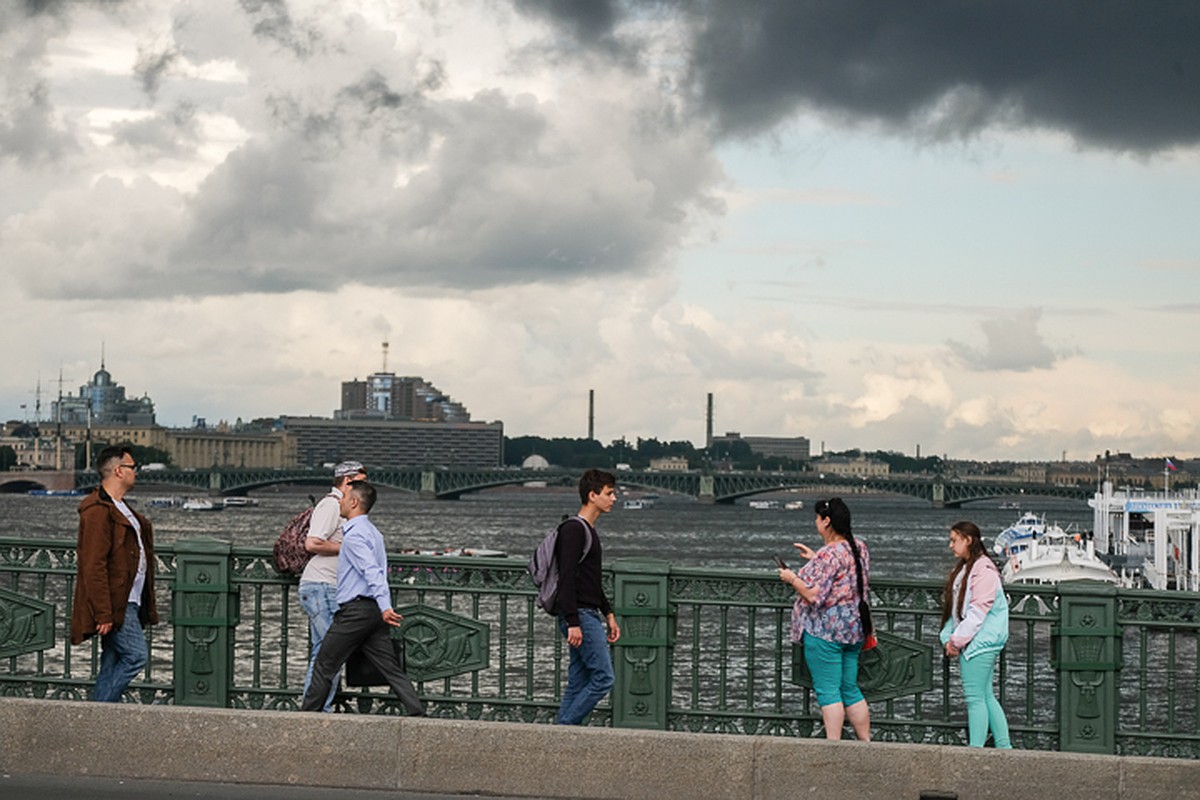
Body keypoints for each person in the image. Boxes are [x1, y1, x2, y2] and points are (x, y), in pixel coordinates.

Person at [300, 480, 424, 715]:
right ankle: (417, 712)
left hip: (355, 612)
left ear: (354, 502)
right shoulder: (374, 533)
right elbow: (379, 571)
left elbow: (372, 572)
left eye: (345, 499)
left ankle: (307, 717)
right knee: (391, 668)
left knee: (324, 664)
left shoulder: (355, 536)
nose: (341, 503)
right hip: (373, 613)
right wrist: (383, 607)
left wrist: (386, 607)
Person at [777, 497, 871, 740]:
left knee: (828, 691)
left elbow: (813, 595)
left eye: (818, 517)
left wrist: (790, 577)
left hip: (825, 631)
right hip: (854, 630)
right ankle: (867, 744)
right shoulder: (859, 546)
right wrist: (815, 557)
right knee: (850, 689)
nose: (815, 521)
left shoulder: (828, 555)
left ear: (826, 521)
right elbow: (843, 573)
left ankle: (833, 745)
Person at [70, 445, 159, 702]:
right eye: (133, 467)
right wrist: (103, 612)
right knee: (136, 656)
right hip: (116, 602)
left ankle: (96, 722)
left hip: (130, 598)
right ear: (119, 471)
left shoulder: (122, 508)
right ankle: (97, 715)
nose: (137, 472)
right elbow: (93, 565)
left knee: (112, 660)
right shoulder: (98, 511)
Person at [298, 460, 367, 711]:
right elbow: (313, 543)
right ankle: (315, 712)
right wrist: (350, 548)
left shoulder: (345, 507)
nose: (365, 486)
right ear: (348, 481)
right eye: (361, 481)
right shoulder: (330, 505)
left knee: (324, 652)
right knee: (331, 654)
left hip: (327, 588)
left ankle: (313, 711)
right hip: (321, 586)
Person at [554, 468, 621, 725]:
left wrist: (609, 614)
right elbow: (566, 578)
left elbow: (590, 581)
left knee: (578, 682)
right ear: (593, 495)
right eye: (609, 493)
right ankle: (563, 729)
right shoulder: (575, 529)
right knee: (604, 677)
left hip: (587, 613)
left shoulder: (588, 531)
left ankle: (560, 740)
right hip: (579, 615)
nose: (613, 499)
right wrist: (573, 621)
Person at [940, 520, 1012, 748]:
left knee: (975, 699)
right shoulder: (973, 568)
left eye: (954, 540)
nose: (951, 545)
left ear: (968, 540)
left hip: (979, 642)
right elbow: (962, 612)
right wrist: (949, 636)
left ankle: (975, 752)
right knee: (987, 696)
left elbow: (976, 613)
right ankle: (1004, 747)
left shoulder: (982, 571)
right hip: (984, 641)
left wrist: (956, 641)